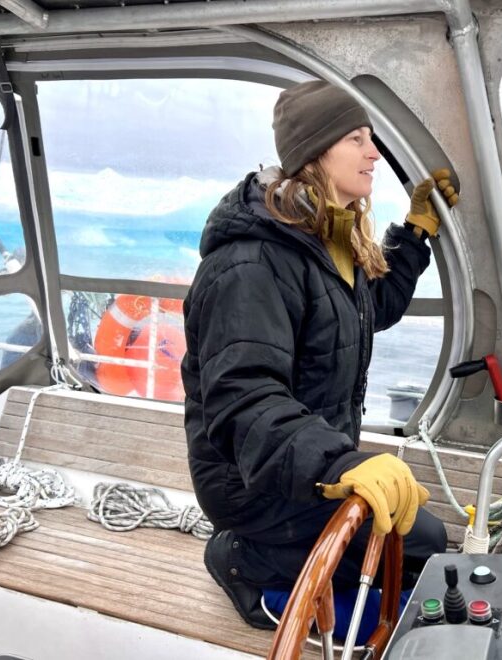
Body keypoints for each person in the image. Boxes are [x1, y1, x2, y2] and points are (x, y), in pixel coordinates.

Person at [181, 80, 459, 630]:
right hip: (253, 483)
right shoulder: (250, 264)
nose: (373, 153)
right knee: (423, 544)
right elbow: (245, 402)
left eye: (371, 139)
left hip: (300, 465)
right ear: (314, 151)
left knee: (421, 542)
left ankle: (293, 558)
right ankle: (242, 561)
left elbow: (371, 308)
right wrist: (342, 465)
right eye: (356, 139)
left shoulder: (326, 239)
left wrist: (415, 233)